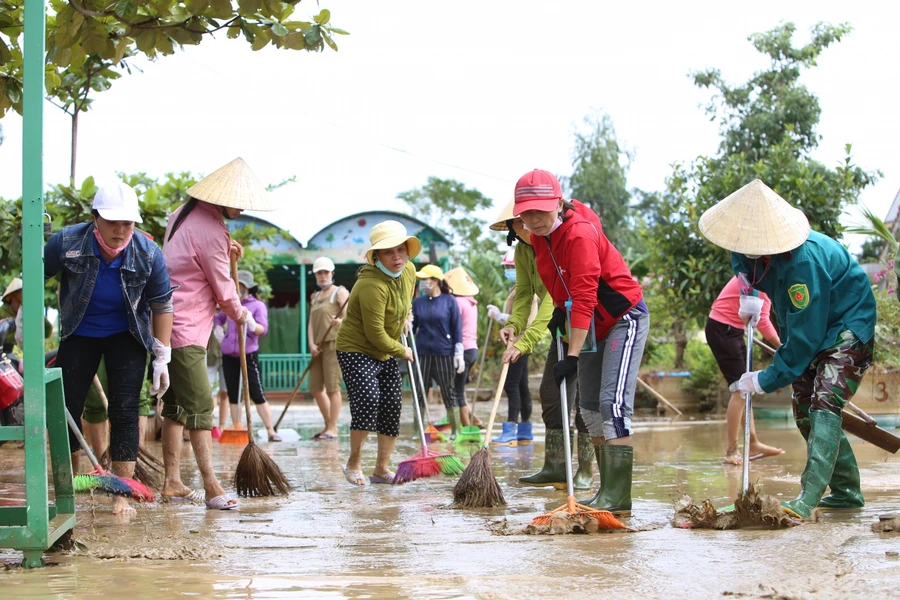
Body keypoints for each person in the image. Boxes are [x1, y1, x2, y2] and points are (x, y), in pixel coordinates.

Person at [699, 179, 876, 518]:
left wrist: (766, 378)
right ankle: (846, 491)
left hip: (847, 326)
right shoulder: (746, 245)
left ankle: (809, 496)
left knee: (825, 400)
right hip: (810, 326)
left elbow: (805, 338)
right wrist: (749, 293)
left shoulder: (801, 265)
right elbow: (742, 265)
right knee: (801, 404)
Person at [513, 169, 649, 515]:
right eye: (527, 213)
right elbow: (561, 286)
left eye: (541, 211)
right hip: (591, 325)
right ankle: (607, 491)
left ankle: (619, 497)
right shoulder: (539, 240)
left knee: (611, 405)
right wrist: (560, 309)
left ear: (558, 203)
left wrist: (572, 356)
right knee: (588, 410)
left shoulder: (580, 234)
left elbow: (586, 295)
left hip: (622, 319)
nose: (535, 219)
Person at [44, 180, 174, 515]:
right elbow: (35, 274)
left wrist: (162, 355)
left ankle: (121, 494)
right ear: (95, 218)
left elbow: (162, 304)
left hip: (126, 335)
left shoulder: (148, 253)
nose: (120, 230)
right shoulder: (67, 242)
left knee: (125, 410)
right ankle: (68, 484)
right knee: (66, 409)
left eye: (127, 223)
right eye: (112, 221)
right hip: (79, 333)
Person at [161, 157, 276, 510]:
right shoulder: (210, 229)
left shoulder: (182, 213)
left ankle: (172, 482)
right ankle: (211, 486)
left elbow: (189, 259)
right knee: (199, 406)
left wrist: (225, 251)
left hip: (168, 321)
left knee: (176, 408)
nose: (241, 207)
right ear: (221, 197)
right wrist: (240, 313)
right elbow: (224, 288)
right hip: (186, 327)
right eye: (238, 200)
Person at [489, 199, 594, 490]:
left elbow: (551, 300)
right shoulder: (524, 250)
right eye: (521, 220)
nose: (529, 224)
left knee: (584, 401)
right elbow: (524, 294)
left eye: (535, 216)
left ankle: (585, 469)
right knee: (551, 393)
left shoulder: (557, 243)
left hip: (588, 330)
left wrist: (525, 343)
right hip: (561, 329)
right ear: (513, 226)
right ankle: (557, 466)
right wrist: (513, 325)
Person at [335, 220, 419, 486]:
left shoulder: (409, 271)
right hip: (356, 349)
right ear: (377, 256)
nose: (397, 257)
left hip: (385, 350)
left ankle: (382, 468)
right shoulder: (371, 285)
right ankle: (353, 463)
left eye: (400, 250)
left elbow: (406, 300)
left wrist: (407, 315)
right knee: (369, 401)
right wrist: (402, 350)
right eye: (388, 252)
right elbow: (375, 336)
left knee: (392, 405)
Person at [707, 276, 784, 465]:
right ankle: (731, 451)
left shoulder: (761, 276)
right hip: (723, 329)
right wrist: (781, 348)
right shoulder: (760, 279)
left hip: (733, 330)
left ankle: (754, 443)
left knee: (746, 387)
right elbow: (763, 321)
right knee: (740, 390)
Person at [215, 270, 280, 441]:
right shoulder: (229, 304)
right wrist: (219, 332)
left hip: (248, 353)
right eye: (237, 286)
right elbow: (218, 318)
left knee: (256, 392)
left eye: (242, 286)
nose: (239, 289)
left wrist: (251, 322)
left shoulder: (257, 306)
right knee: (233, 393)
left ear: (248, 288)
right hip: (229, 354)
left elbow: (262, 330)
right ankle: (237, 426)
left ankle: (270, 430)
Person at [488, 247, 537, 445]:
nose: (508, 270)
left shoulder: (528, 291)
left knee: (511, 385)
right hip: (516, 343)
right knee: (523, 386)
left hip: (520, 344)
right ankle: (525, 430)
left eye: (511, 267)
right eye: (506, 267)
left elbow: (527, 321)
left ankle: (510, 429)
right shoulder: (516, 288)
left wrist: (499, 316)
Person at [412, 264, 466, 439]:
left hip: (445, 351)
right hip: (422, 352)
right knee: (420, 390)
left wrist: (459, 351)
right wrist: (406, 322)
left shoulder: (449, 301)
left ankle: (456, 430)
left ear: (434, 281)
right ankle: (417, 430)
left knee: (448, 390)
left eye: (424, 279)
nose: (421, 283)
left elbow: (457, 327)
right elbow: (412, 330)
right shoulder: (417, 302)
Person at [307, 256, 349, 439]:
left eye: (325, 272)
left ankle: (333, 428)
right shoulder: (315, 296)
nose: (323, 276)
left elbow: (351, 319)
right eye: (319, 273)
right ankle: (328, 425)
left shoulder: (340, 292)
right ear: (315, 275)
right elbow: (310, 323)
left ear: (332, 273)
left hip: (334, 344)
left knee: (333, 387)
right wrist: (311, 344)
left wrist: (340, 321)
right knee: (315, 387)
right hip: (317, 346)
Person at [444, 266, 483, 428]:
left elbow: (450, 326)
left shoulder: (456, 302)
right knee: (460, 389)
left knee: (456, 391)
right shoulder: (470, 302)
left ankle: (467, 428)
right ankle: (475, 421)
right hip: (472, 349)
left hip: (461, 349)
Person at [209, 315, 229, 438]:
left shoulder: (228, 311)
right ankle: (208, 424)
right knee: (206, 390)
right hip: (209, 356)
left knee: (225, 392)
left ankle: (222, 426)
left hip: (227, 356)